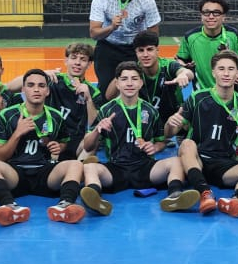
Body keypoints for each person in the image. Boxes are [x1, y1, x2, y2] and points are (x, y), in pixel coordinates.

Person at [79, 61, 200, 216]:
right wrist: (97, 130)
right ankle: (95, 199)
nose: (129, 83)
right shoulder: (106, 110)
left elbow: (161, 140)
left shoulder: (150, 111)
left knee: (176, 161)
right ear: (117, 83)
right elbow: (88, 147)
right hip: (116, 168)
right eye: (124, 79)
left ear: (141, 83)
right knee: (89, 167)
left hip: (145, 168)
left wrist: (155, 147)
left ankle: (174, 195)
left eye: (134, 78)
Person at [0, 69, 86, 226]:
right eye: (31, 85)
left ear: (47, 91)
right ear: (23, 89)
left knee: (76, 164)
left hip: (45, 172)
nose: (36, 89)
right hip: (16, 173)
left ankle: (65, 205)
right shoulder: (7, 115)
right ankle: (10, 206)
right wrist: (17, 134)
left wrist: (59, 147)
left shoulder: (56, 116)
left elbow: (63, 142)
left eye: (41, 85)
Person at [164, 50, 238, 218]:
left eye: (231, 69)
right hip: (197, 160)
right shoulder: (198, 97)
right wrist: (171, 123)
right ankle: (205, 193)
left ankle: (235, 200)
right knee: (186, 144)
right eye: (221, 69)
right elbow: (169, 134)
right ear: (213, 72)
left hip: (225, 163)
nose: (226, 73)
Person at [88, 0, 161, 86]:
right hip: (108, 46)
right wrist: (111, 27)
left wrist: (146, 53)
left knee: (139, 87)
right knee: (106, 91)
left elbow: (153, 34)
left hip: (134, 48)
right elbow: (94, 33)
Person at [176, 0, 238, 90]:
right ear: (201, 16)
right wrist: (182, 66)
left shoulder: (233, 34)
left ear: (223, 16)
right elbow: (180, 60)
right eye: (206, 13)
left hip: (228, 92)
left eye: (216, 13)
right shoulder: (190, 37)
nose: (211, 17)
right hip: (201, 93)